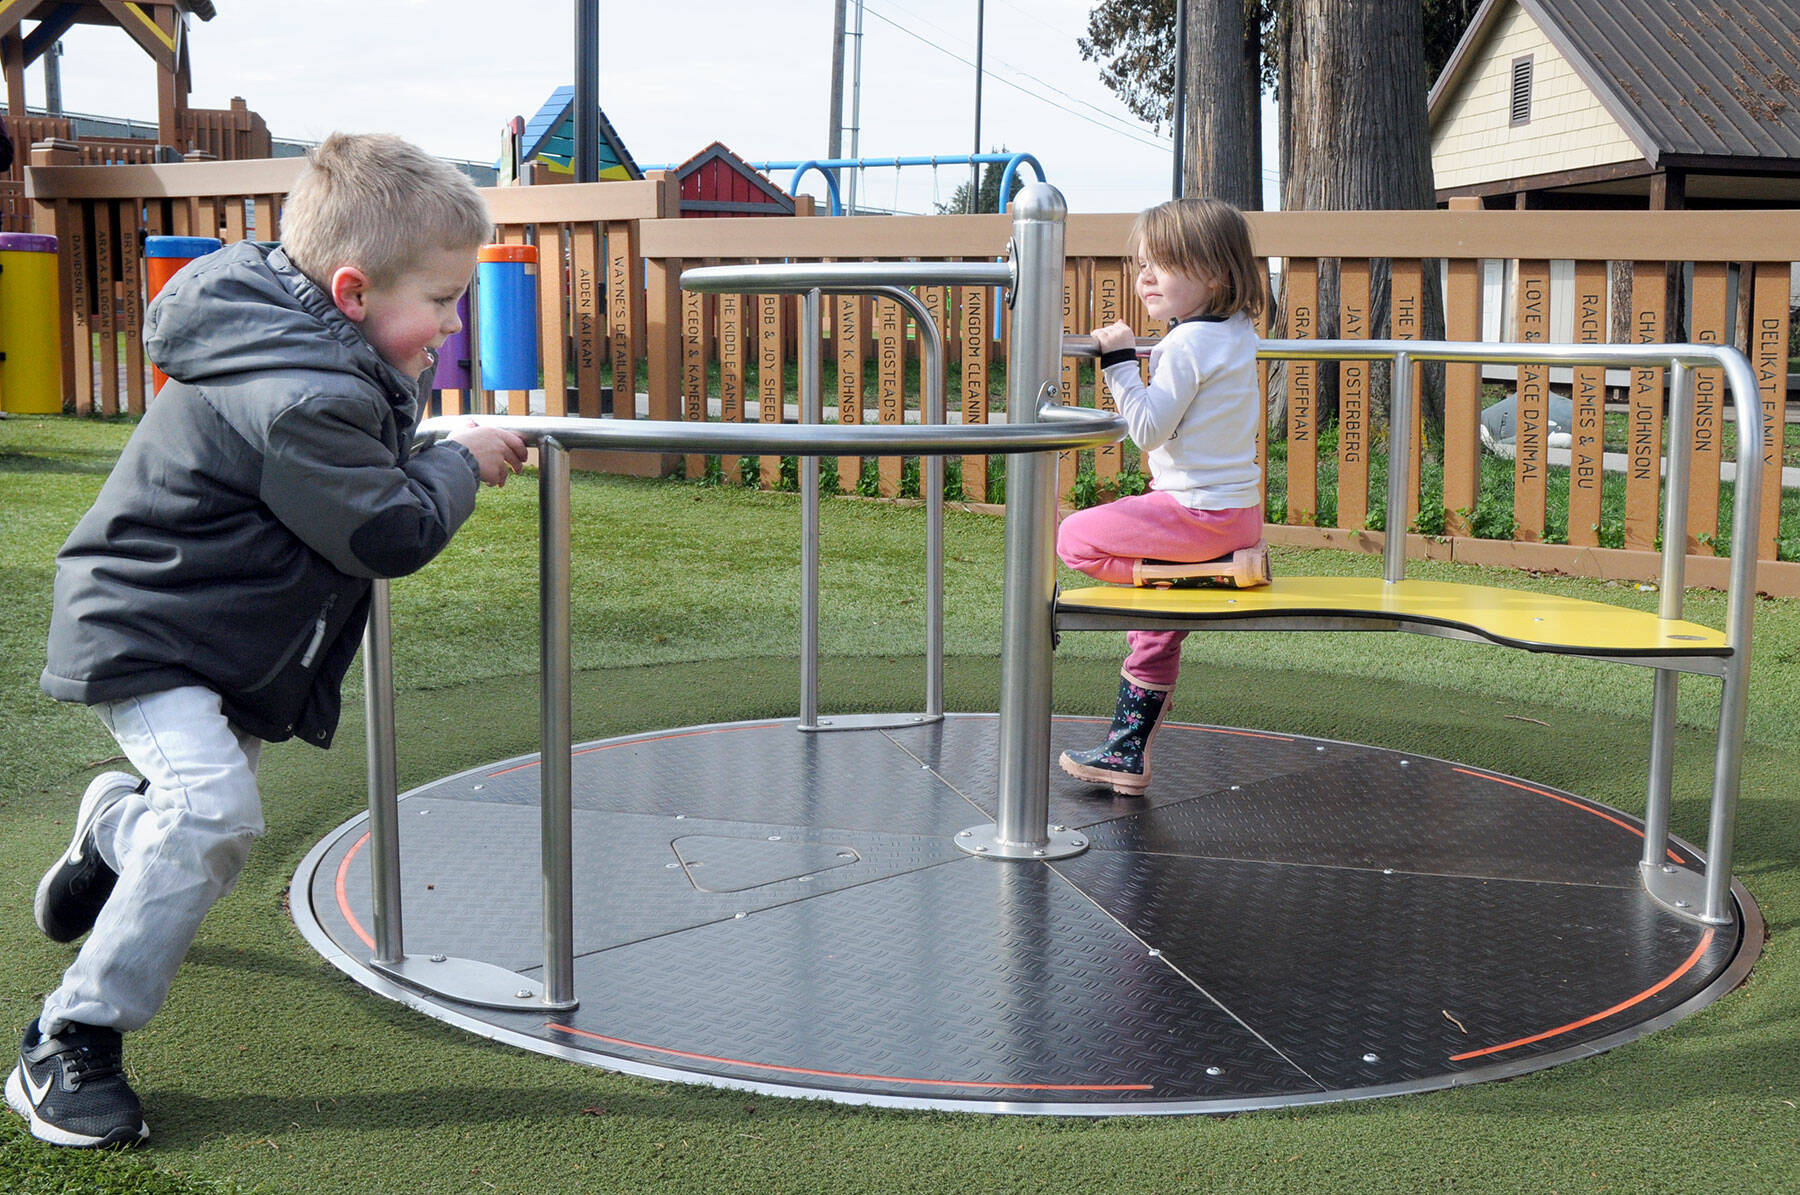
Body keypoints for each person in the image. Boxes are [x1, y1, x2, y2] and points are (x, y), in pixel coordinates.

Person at [9, 132, 527, 1149]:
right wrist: (459, 462)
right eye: (441, 298)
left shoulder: (310, 346)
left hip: (223, 629)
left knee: (193, 820)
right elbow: (386, 529)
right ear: (351, 291)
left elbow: (352, 468)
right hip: (151, 624)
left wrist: (426, 438)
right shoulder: (304, 388)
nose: (453, 322)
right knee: (213, 809)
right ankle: (69, 1035)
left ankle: (113, 831)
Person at [1056, 196, 1268, 797]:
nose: (1145, 277)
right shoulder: (1236, 332)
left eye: (1164, 264)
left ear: (1217, 273)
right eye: (1143, 264)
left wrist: (1120, 364)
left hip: (1194, 513)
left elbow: (1148, 428)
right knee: (1156, 626)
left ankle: (1195, 575)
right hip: (1237, 516)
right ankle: (1127, 756)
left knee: (1072, 538)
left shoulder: (1185, 344)